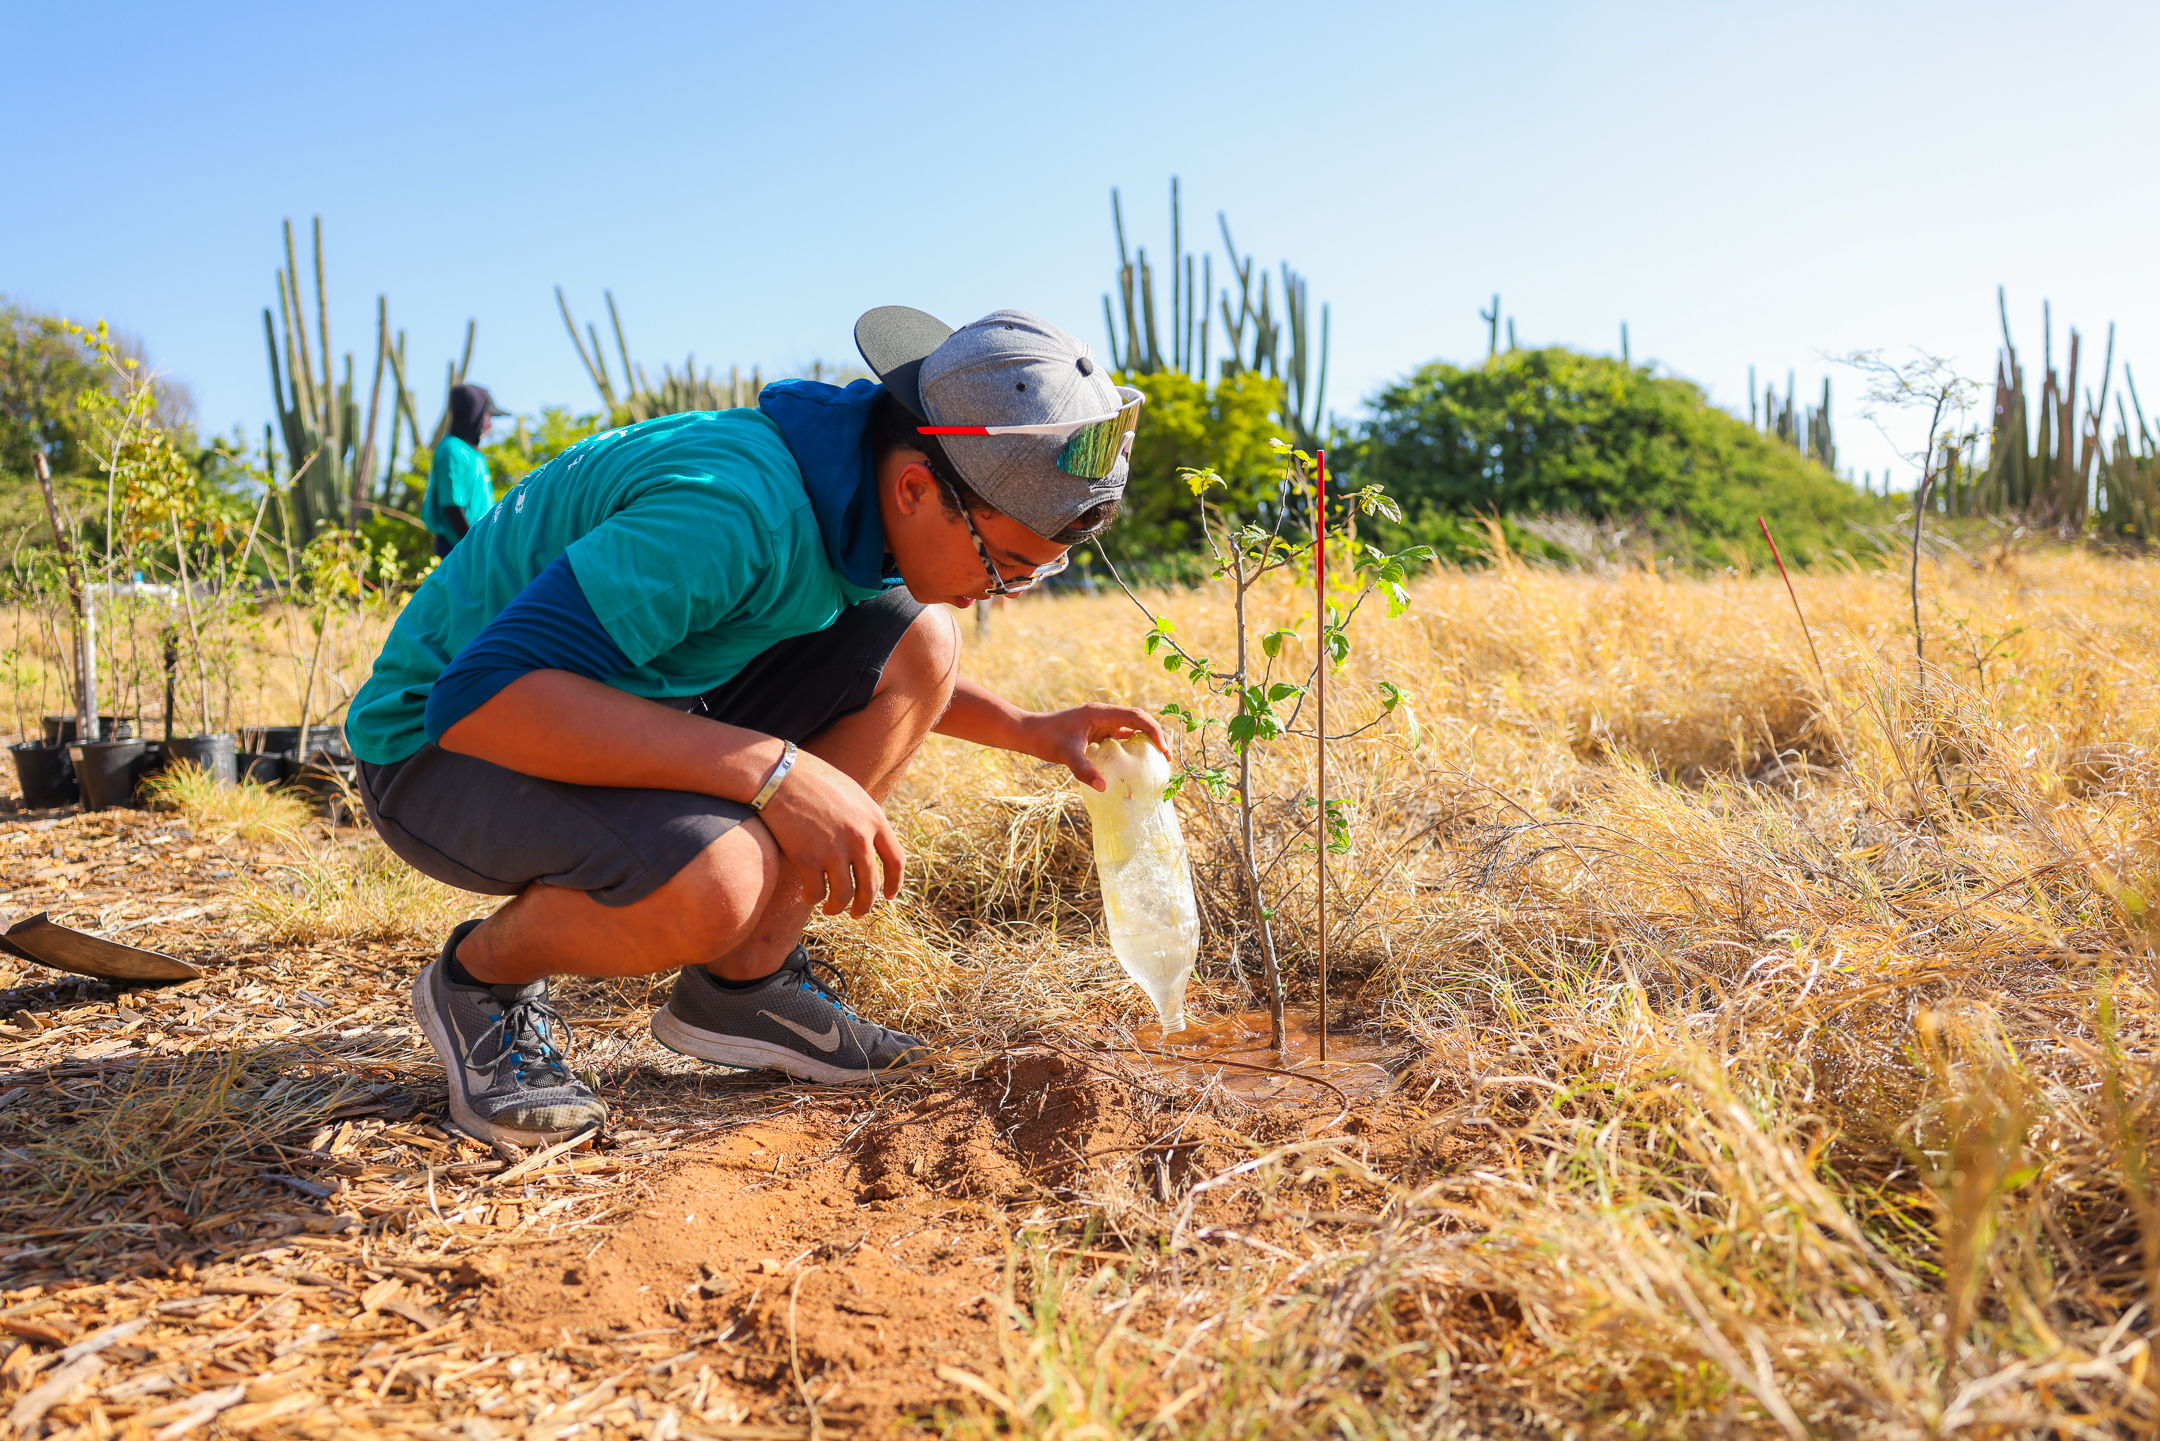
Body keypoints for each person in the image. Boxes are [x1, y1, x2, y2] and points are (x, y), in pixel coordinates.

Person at [345, 307, 1161, 1146]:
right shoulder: (735, 515)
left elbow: (878, 667)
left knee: (923, 639)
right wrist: (777, 772)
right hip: (438, 750)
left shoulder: (855, 492)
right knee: (721, 878)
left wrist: (1030, 727)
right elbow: (476, 699)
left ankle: (743, 984)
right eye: (1007, 565)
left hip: (607, 701)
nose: (1004, 591)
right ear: (918, 488)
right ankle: (480, 984)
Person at [423, 384, 509, 557]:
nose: (490, 424)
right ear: (475, 415)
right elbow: (452, 506)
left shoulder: (474, 454)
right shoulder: (451, 449)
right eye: (488, 416)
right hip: (458, 546)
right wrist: (472, 544)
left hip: (478, 542)